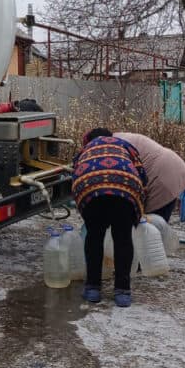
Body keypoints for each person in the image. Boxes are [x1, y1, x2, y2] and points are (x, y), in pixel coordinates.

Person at [72, 127, 147, 308]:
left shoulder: (85, 149)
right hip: (125, 188)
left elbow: (75, 172)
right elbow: (142, 175)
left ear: (88, 139)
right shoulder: (124, 145)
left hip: (91, 188)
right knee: (123, 238)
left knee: (94, 237)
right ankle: (122, 292)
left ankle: (92, 289)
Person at [115, 132, 185, 221]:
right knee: (158, 225)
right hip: (173, 167)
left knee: (153, 225)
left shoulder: (113, 146)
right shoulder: (120, 137)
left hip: (161, 177)